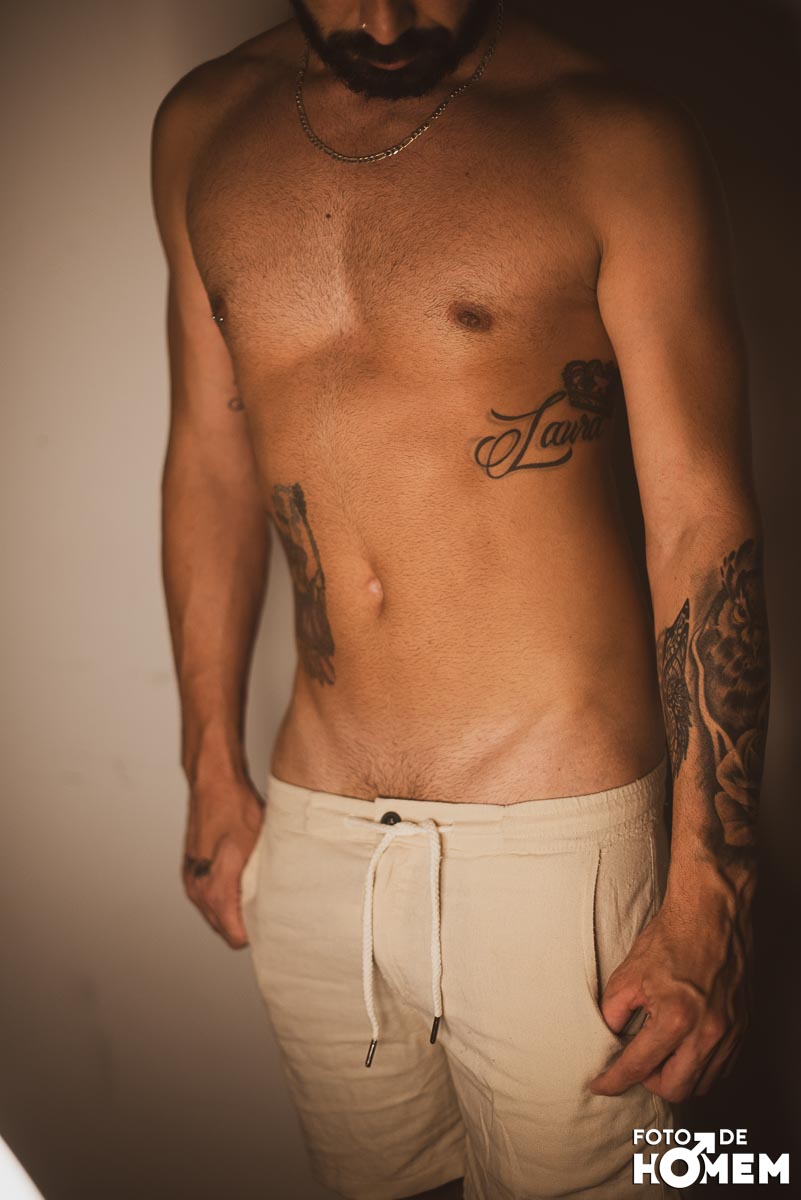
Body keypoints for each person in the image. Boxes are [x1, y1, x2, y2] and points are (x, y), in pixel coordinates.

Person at [150, 0, 770, 1195]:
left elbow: (704, 519)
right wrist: (209, 763)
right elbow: (209, 457)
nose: (386, 19)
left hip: (558, 842)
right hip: (318, 825)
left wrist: (714, 884)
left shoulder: (609, 134)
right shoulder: (202, 128)